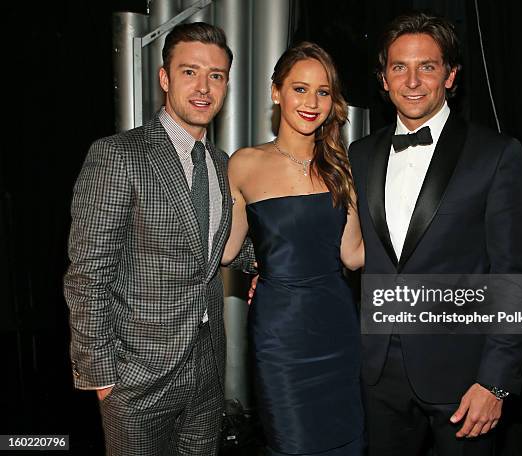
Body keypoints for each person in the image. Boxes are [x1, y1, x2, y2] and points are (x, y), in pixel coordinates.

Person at [348, 12, 522, 456]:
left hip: (465, 378)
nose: (412, 81)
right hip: (377, 375)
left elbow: (516, 277)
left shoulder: (496, 155)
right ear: (383, 78)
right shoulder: (361, 154)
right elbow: (347, 249)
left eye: (427, 67)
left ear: (450, 76)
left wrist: (496, 382)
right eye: (399, 67)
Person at [64, 22, 252, 455]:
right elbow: (87, 275)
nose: (203, 87)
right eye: (189, 72)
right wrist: (103, 379)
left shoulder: (222, 164)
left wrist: (288, 261)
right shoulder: (118, 155)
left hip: (206, 373)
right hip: (137, 379)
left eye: (216, 75)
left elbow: (218, 249)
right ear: (164, 78)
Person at [222, 42, 365, 455]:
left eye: (323, 92)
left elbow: (353, 254)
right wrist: (268, 266)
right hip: (280, 337)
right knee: (292, 443)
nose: (312, 102)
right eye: (300, 89)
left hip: (337, 330)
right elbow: (228, 250)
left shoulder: (341, 167)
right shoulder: (244, 163)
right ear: (276, 92)